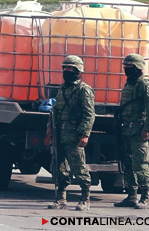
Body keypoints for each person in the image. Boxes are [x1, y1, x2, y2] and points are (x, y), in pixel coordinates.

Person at [45, 55, 96, 211]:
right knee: (59, 167)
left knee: (78, 167)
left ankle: (85, 198)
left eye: (71, 69)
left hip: (74, 134)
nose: (67, 71)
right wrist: (49, 129)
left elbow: (89, 114)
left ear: (78, 71)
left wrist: (85, 133)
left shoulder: (84, 90)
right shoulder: (62, 89)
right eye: (65, 68)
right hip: (60, 133)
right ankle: (61, 198)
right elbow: (55, 111)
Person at [113, 53, 149, 209]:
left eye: (130, 67)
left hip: (139, 132)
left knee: (140, 164)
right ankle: (131, 195)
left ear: (138, 68)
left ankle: (145, 197)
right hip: (126, 130)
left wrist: (147, 128)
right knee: (127, 164)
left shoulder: (143, 84)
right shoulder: (129, 84)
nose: (127, 70)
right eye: (126, 67)